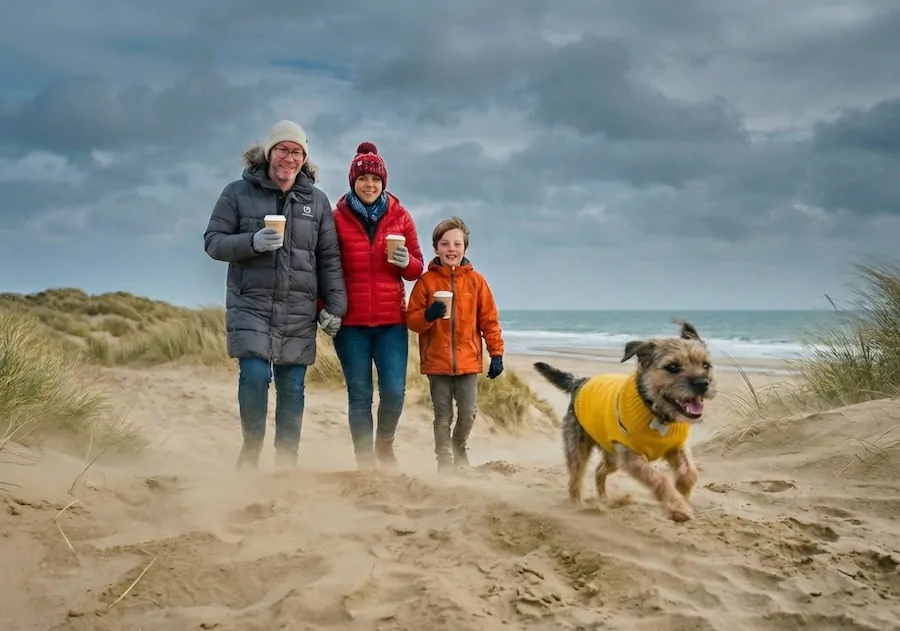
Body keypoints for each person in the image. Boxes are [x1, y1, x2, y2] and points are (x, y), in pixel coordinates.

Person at [203, 120, 347, 471]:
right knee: (254, 375)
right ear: (270, 153)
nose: (289, 157)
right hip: (249, 303)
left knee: (292, 386)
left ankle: (286, 462)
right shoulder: (237, 193)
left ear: (305, 159)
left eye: (297, 152)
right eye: (283, 149)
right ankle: (251, 449)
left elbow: (329, 257)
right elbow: (213, 241)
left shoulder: (317, 201)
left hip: (297, 306)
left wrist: (336, 306)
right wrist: (251, 242)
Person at [330, 141, 425, 469]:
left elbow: (417, 269)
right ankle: (364, 460)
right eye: (362, 179)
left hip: (391, 324)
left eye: (375, 179)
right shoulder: (336, 218)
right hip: (351, 324)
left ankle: (384, 443)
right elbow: (324, 267)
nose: (369, 184)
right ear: (352, 182)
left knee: (394, 392)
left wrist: (405, 260)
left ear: (384, 183)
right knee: (359, 395)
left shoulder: (401, 215)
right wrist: (323, 309)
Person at [405, 216, 504, 473]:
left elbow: (489, 321)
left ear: (465, 249)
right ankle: (445, 462)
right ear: (436, 248)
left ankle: (458, 447)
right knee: (442, 416)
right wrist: (429, 315)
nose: (451, 249)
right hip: (436, 362)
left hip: (468, 361)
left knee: (468, 412)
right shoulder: (426, 282)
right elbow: (412, 321)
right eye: (445, 243)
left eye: (457, 244)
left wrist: (496, 354)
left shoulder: (477, 282)